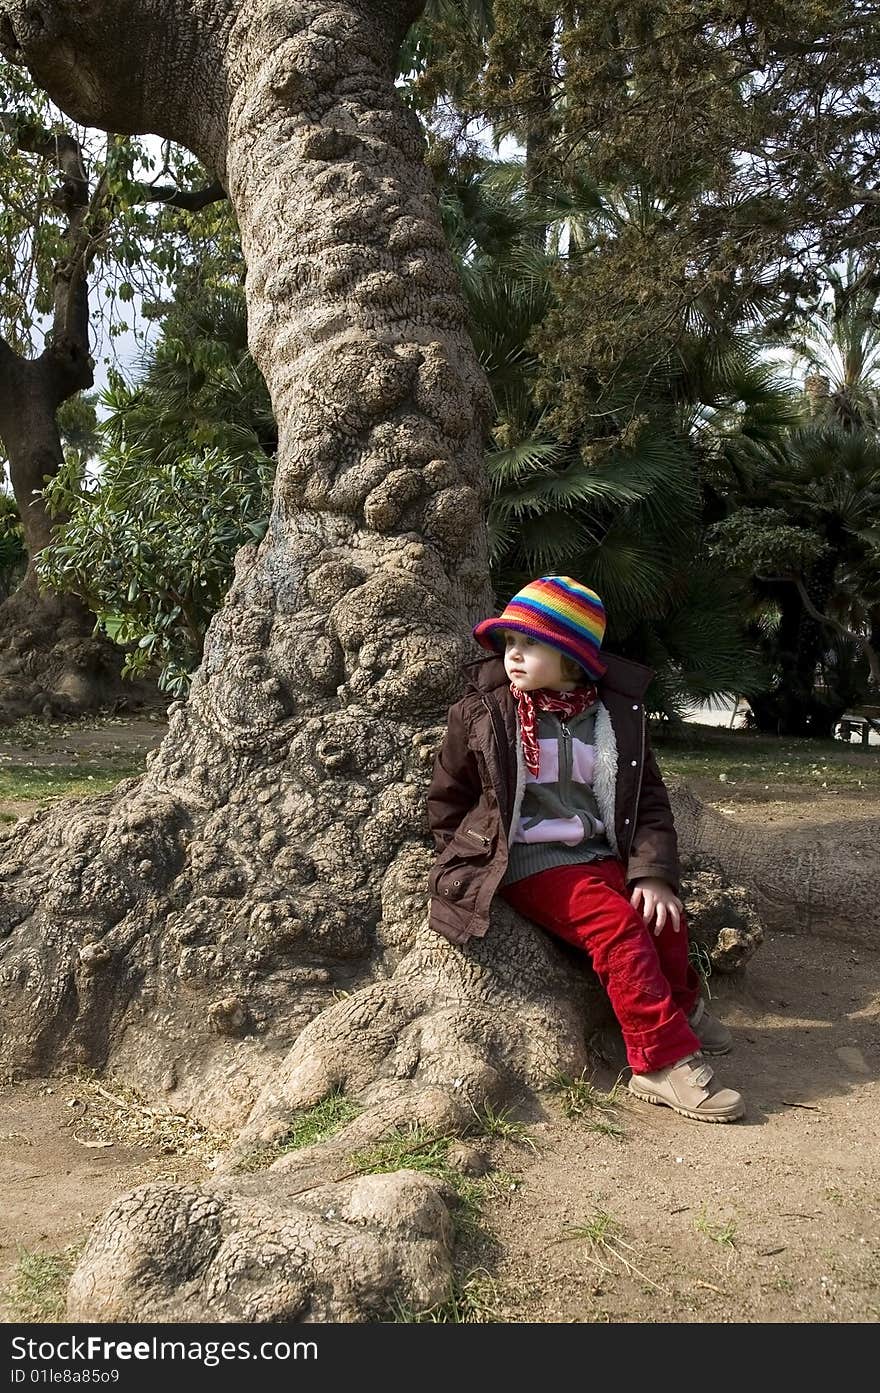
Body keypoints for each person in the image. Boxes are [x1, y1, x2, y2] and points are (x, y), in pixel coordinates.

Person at [426, 575, 744, 1123]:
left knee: (661, 914)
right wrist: (468, 859)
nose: (515, 656)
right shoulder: (486, 712)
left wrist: (651, 873)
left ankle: (681, 1006)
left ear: (572, 657)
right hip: (527, 860)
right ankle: (659, 1060)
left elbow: (647, 801)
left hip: (598, 853)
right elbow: (447, 797)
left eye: (532, 645)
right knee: (616, 928)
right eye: (509, 645)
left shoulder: (613, 719)